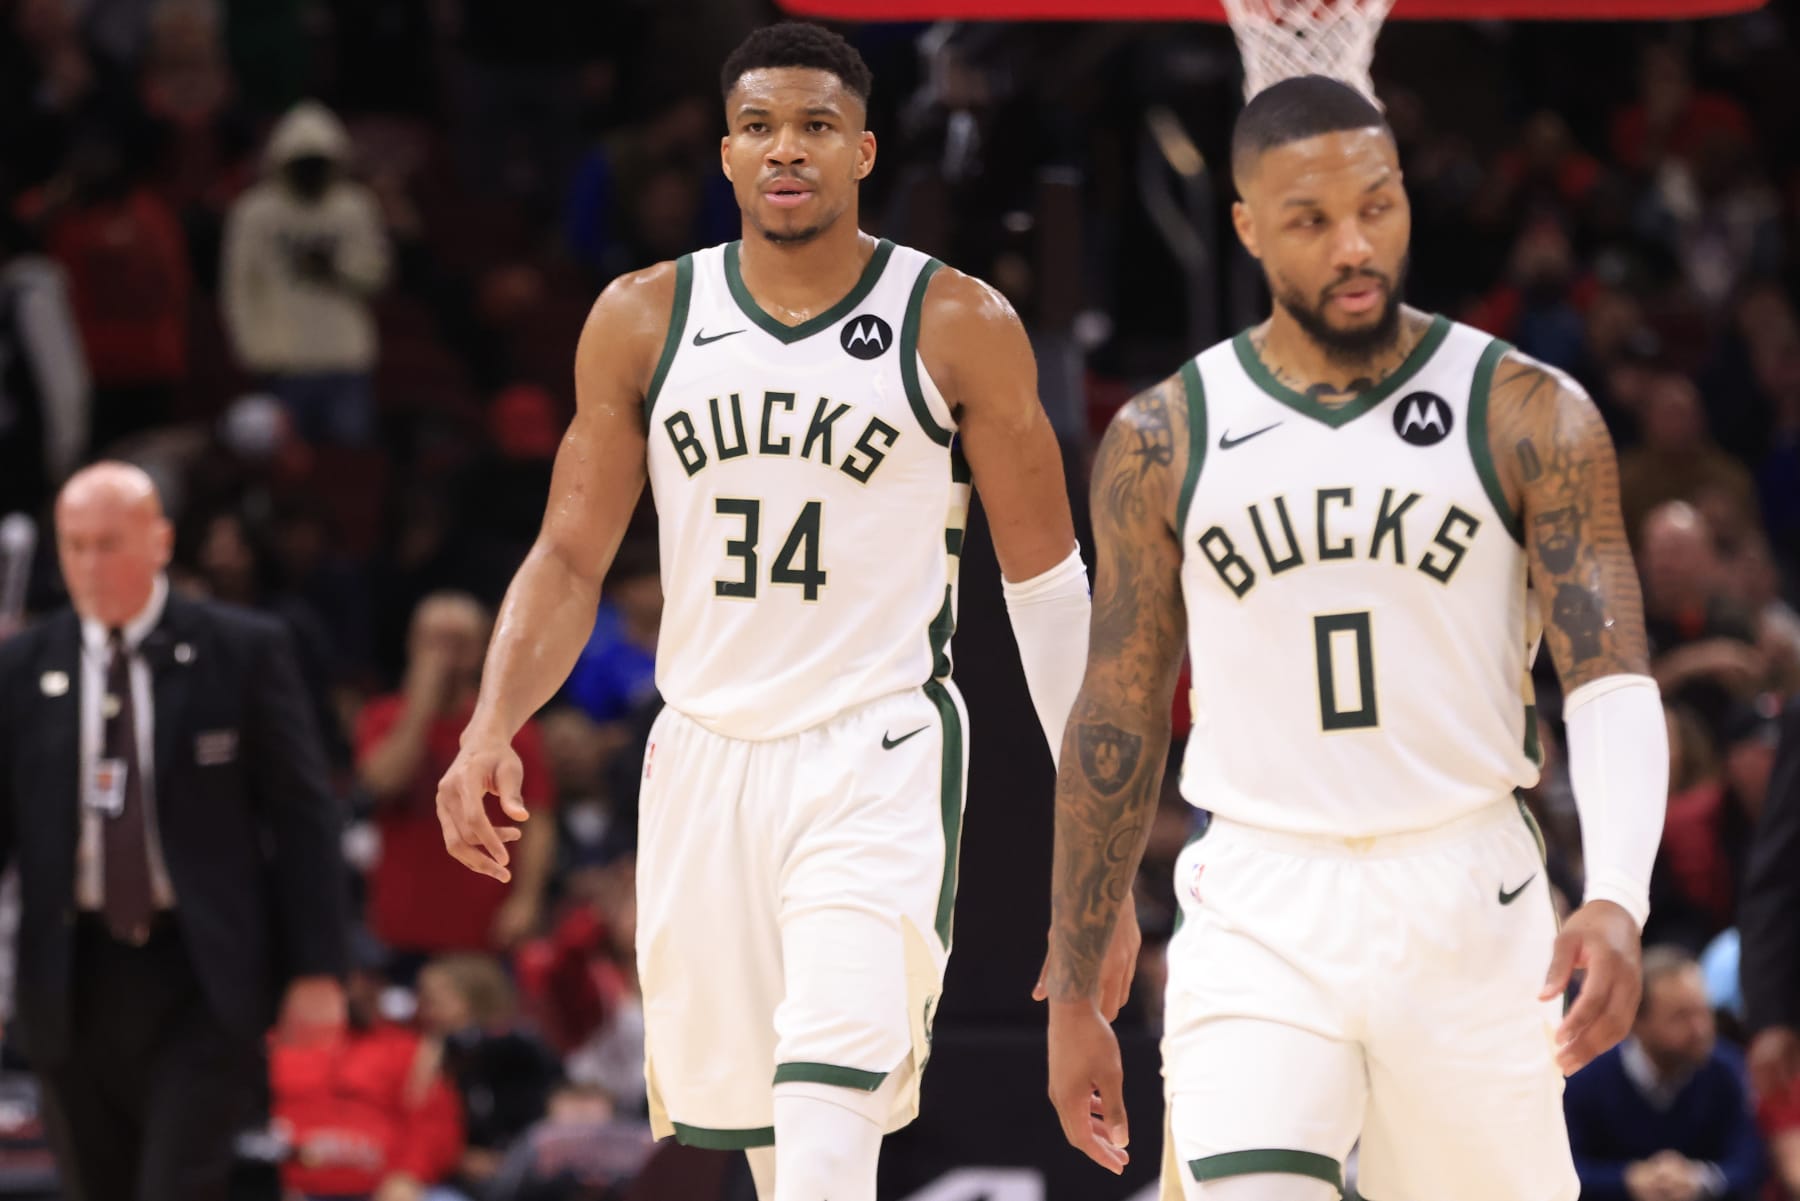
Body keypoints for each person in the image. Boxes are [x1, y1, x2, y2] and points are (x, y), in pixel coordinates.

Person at [436, 22, 1127, 1201]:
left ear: (862, 150)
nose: (785, 149)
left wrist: (1100, 847)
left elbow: (1049, 588)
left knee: (825, 1103)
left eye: (814, 126)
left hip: (875, 750)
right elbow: (566, 556)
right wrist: (489, 721)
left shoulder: (957, 323)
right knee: (763, 1142)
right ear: (724, 153)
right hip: (704, 758)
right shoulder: (643, 318)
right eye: (759, 127)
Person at [1044, 75, 1667, 1201]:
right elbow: (1120, 706)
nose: (1354, 244)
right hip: (1259, 895)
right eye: (1311, 219)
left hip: (1467, 891)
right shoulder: (1162, 435)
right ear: (1243, 224)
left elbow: (1609, 671)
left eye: (1377, 207)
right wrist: (1077, 970)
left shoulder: (1528, 411)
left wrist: (1618, 891)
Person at [0, 461, 349, 1201]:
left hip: (202, 969)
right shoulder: (24, 666)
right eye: (75, 545)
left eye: (110, 543)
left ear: (160, 541)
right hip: (70, 971)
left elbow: (304, 814)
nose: (91, 565)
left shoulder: (243, 648)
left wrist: (318, 966)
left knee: (177, 1186)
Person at [357, 593, 556, 968]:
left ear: (481, 649)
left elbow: (538, 820)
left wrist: (527, 900)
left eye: (458, 643)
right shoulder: (381, 717)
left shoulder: (511, 727)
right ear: (412, 645)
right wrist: (421, 701)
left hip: (483, 925)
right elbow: (381, 784)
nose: (444, 656)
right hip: (400, 923)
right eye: (433, 641)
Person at [1563, 947, 1764, 1201]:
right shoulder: (1586, 1079)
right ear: (1635, 1022)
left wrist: (1700, 1178)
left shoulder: (1726, 1069)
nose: (1700, 1029)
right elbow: (1565, 1171)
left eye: (1703, 1012)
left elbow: (1750, 1164)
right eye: (1681, 1017)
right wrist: (1627, 1179)